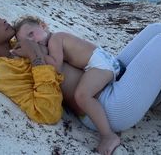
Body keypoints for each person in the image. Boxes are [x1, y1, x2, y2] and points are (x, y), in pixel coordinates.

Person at [0, 11, 161, 154]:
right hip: (105, 106)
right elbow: (47, 113)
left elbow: (1, 52)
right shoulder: (3, 70)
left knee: (158, 29)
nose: (2, 20)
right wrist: (37, 58)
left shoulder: (15, 46)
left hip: (105, 79)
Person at [13, 16, 126, 152]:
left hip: (101, 65)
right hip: (104, 61)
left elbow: (56, 67)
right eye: (27, 41)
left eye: (31, 34)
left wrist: (35, 52)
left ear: (43, 26)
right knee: (84, 92)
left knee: (82, 95)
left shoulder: (55, 39)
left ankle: (108, 135)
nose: (32, 42)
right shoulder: (53, 41)